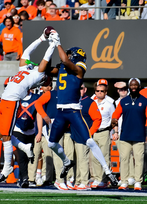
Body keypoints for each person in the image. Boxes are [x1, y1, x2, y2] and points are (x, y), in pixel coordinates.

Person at [46, 32, 118, 186]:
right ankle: (66, 162)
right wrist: (50, 48)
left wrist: (57, 42)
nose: (69, 56)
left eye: (72, 55)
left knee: (89, 141)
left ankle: (108, 171)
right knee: (51, 144)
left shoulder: (79, 70)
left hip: (73, 111)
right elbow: (46, 69)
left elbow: (65, 60)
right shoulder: (62, 68)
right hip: (60, 112)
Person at [0, 28, 56, 183]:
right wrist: (41, 38)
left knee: (7, 136)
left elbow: (45, 60)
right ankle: (24, 147)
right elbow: (26, 52)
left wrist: (53, 44)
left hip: (12, 101)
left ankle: (7, 167)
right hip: (4, 100)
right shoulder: (25, 69)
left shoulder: (38, 74)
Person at [112, 78, 147, 191]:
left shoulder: (145, 101)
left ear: (139, 87)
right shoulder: (123, 101)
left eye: (136, 85)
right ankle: (124, 181)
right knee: (124, 159)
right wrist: (114, 119)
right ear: (129, 87)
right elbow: (116, 113)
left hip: (139, 135)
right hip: (125, 134)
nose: (133, 87)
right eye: (132, 85)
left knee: (139, 159)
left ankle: (137, 182)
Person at [72, 83, 102, 190]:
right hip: (73, 134)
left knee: (83, 159)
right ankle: (78, 180)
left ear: (84, 89)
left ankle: (84, 182)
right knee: (76, 159)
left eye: (80, 88)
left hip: (83, 135)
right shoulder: (73, 101)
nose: (78, 90)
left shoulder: (89, 102)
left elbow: (97, 119)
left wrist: (89, 133)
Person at [91, 79, 115, 189]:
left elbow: (114, 120)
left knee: (105, 156)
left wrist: (114, 132)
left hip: (104, 131)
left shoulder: (110, 104)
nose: (99, 93)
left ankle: (104, 179)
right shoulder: (92, 103)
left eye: (101, 91)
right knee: (94, 157)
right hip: (93, 132)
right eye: (97, 91)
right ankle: (96, 178)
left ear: (105, 92)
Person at [14, 91, 40, 188]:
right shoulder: (16, 96)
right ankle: (25, 178)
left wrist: (39, 131)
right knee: (21, 155)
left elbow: (39, 114)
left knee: (28, 155)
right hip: (17, 129)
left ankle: (21, 177)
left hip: (31, 130)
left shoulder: (37, 97)